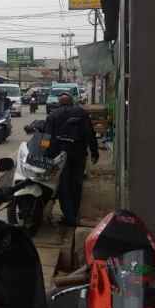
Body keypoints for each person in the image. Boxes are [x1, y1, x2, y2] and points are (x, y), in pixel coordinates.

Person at [44, 92, 99, 226]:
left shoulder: (53, 115)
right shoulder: (82, 113)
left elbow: (46, 137)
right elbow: (90, 133)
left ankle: (69, 217)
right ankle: (73, 213)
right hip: (79, 154)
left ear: (59, 103)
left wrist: (44, 152)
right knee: (77, 184)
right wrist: (94, 151)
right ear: (72, 102)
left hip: (60, 157)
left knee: (64, 186)